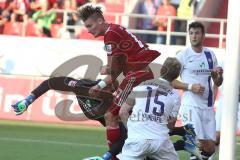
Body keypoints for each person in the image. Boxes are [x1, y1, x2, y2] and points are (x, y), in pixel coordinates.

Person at [78, 4, 160, 159]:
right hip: (141, 73)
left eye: (90, 25)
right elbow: (112, 69)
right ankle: (137, 149)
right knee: (131, 115)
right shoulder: (114, 30)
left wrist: (99, 85)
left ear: (100, 21)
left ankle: (118, 155)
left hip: (137, 74)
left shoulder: (111, 35)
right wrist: (107, 72)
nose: (88, 30)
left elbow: (112, 72)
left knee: (111, 115)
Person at [11, 76, 127, 160]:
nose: (109, 92)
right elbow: (50, 83)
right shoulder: (81, 86)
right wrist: (28, 100)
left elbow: (124, 135)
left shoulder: (113, 105)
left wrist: (105, 156)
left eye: (112, 91)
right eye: (107, 89)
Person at [172, 21, 223, 160]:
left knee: (209, 150)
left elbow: (217, 82)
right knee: (198, 144)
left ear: (203, 35)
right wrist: (189, 87)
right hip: (190, 106)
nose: (194, 36)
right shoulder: (182, 56)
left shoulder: (210, 55)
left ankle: (183, 141)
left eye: (197, 33)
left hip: (207, 107)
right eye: (191, 33)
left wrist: (218, 76)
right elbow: (170, 81)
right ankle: (181, 143)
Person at [117, 57, 181, 159]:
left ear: (161, 70)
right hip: (160, 142)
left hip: (137, 139)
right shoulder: (175, 95)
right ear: (177, 76)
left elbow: (122, 112)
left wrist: (131, 130)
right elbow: (171, 125)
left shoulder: (141, 86)